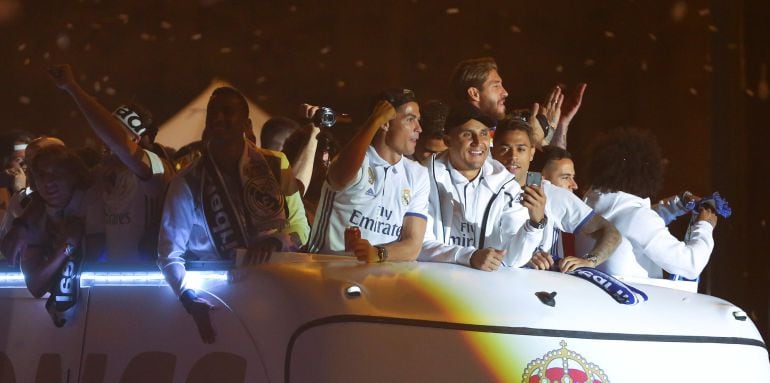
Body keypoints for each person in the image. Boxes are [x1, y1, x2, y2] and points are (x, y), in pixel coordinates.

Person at [158, 86, 309, 343]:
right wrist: (189, 299)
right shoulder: (188, 181)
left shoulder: (276, 165)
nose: (218, 118)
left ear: (246, 123)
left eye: (227, 112)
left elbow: (302, 228)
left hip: (273, 293)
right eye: (213, 113)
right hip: (219, 300)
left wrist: (275, 242)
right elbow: (168, 253)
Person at [48, 64, 173, 263]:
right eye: (102, 132)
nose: (104, 139)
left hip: (152, 288)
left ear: (136, 141)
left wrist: (73, 88)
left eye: (111, 133)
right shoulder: (99, 175)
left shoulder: (157, 168)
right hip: (111, 285)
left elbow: (120, 144)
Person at [575, 128, 717, 280]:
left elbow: (630, 220)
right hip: (637, 301)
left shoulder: (589, 204)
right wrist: (705, 226)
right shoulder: (638, 218)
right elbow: (691, 265)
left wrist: (676, 204)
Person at [306, 89, 428, 263]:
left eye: (418, 120)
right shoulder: (358, 161)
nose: (419, 128)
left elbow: (413, 246)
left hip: (382, 277)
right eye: (410, 120)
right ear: (385, 124)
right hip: (327, 270)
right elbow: (340, 177)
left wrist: (378, 253)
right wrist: (374, 121)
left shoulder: (417, 174)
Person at [419, 104, 544, 270]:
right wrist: (469, 256)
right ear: (448, 140)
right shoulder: (423, 176)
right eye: (467, 134)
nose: (478, 142)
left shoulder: (506, 184)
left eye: (484, 134)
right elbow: (419, 245)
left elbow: (513, 259)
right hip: (432, 281)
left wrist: (535, 224)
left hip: (483, 286)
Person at [492, 118, 620, 272]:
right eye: (505, 149)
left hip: (541, 288)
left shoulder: (553, 195)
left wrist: (590, 261)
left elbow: (610, 232)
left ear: (531, 152)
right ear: (493, 152)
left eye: (521, 149)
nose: (513, 157)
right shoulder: (479, 191)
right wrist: (524, 257)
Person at [17, 145, 100, 325]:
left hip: (106, 306)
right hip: (70, 323)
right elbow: (35, 287)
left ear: (74, 175)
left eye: (57, 173)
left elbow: (98, 263)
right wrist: (66, 247)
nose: (48, 182)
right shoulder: (34, 214)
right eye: (41, 175)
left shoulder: (93, 199)